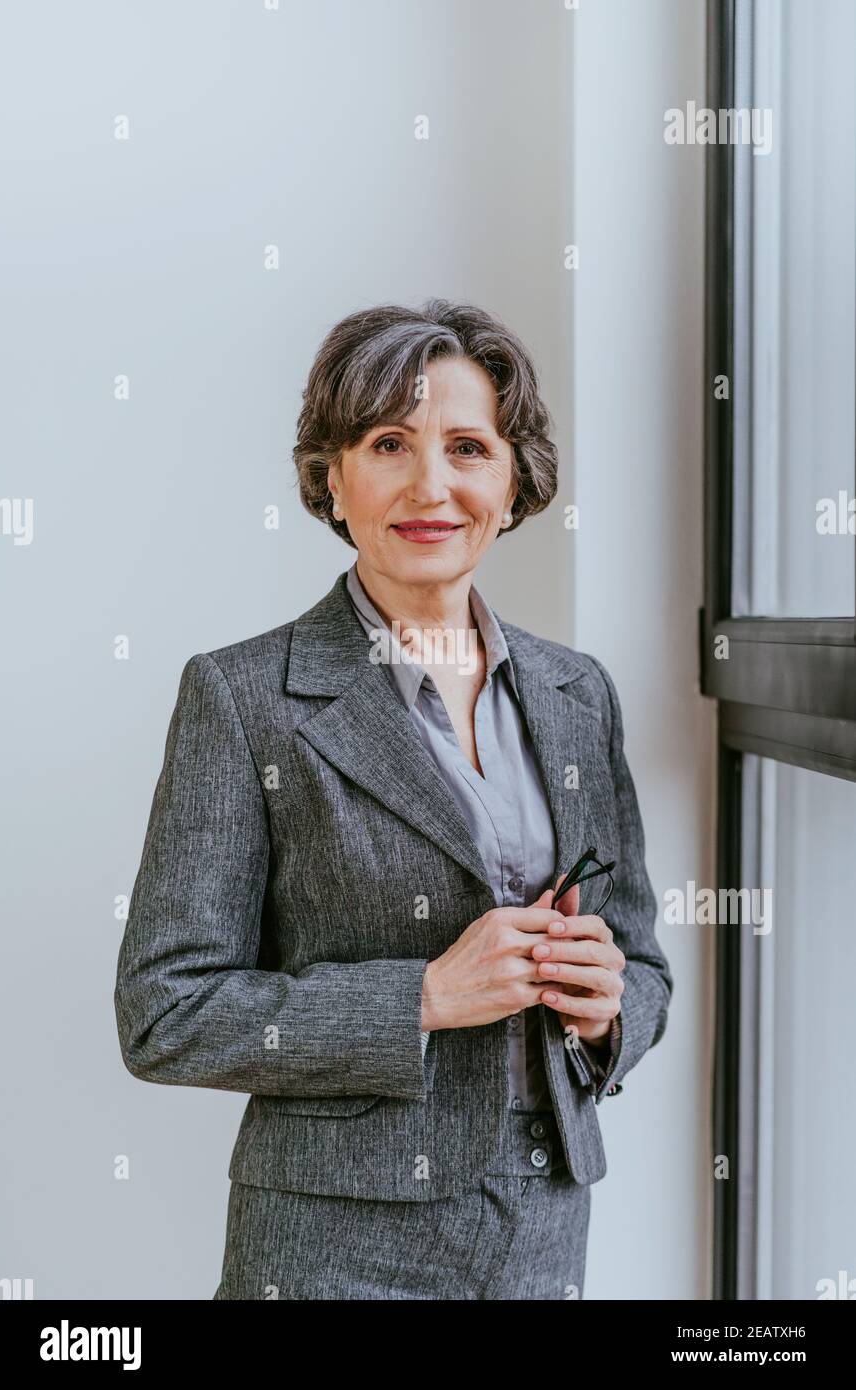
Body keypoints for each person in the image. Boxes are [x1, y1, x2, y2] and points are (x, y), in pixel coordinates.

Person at [113, 298, 672, 1300]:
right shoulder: (242, 700)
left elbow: (643, 969)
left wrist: (606, 1006)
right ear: (331, 475)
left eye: (466, 445)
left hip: (541, 1229)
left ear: (514, 476)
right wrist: (419, 998)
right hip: (335, 1249)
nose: (431, 485)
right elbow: (166, 1010)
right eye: (387, 443)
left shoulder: (575, 692)